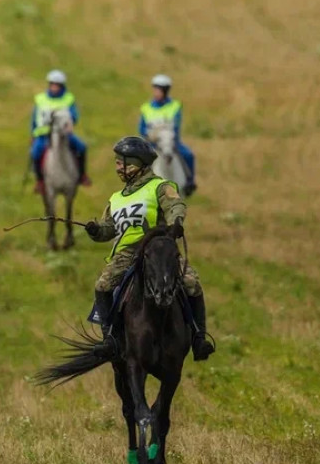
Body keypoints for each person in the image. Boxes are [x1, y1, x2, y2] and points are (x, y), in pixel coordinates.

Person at [84, 136, 215, 362]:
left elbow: (176, 205)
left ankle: (199, 338)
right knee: (103, 284)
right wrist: (96, 230)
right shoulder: (116, 198)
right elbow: (109, 230)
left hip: (158, 250)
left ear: (136, 164)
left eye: (120, 162)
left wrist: (176, 224)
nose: (117, 167)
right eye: (116, 162)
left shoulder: (160, 187)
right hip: (126, 254)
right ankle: (109, 340)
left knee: (191, 282)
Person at [30, 69, 91, 193]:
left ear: (62, 86)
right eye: (52, 84)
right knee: (35, 152)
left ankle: (82, 175)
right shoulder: (40, 99)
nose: (54, 87)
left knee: (82, 147)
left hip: (63, 135)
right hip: (43, 135)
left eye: (57, 85)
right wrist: (32, 133)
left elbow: (74, 115)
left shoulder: (68, 99)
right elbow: (34, 118)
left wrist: (69, 123)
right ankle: (40, 181)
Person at [139, 74, 197, 195]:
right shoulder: (146, 108)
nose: (157, 92)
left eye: (159, 90)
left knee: (188, 155)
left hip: (170, 141)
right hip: (152, 142)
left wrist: (169, 136)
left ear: (165, 91)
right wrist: (150, 136)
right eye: (155, 89)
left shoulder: (174, 106)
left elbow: (176, 126)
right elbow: (142, 128)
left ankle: (190, 182)